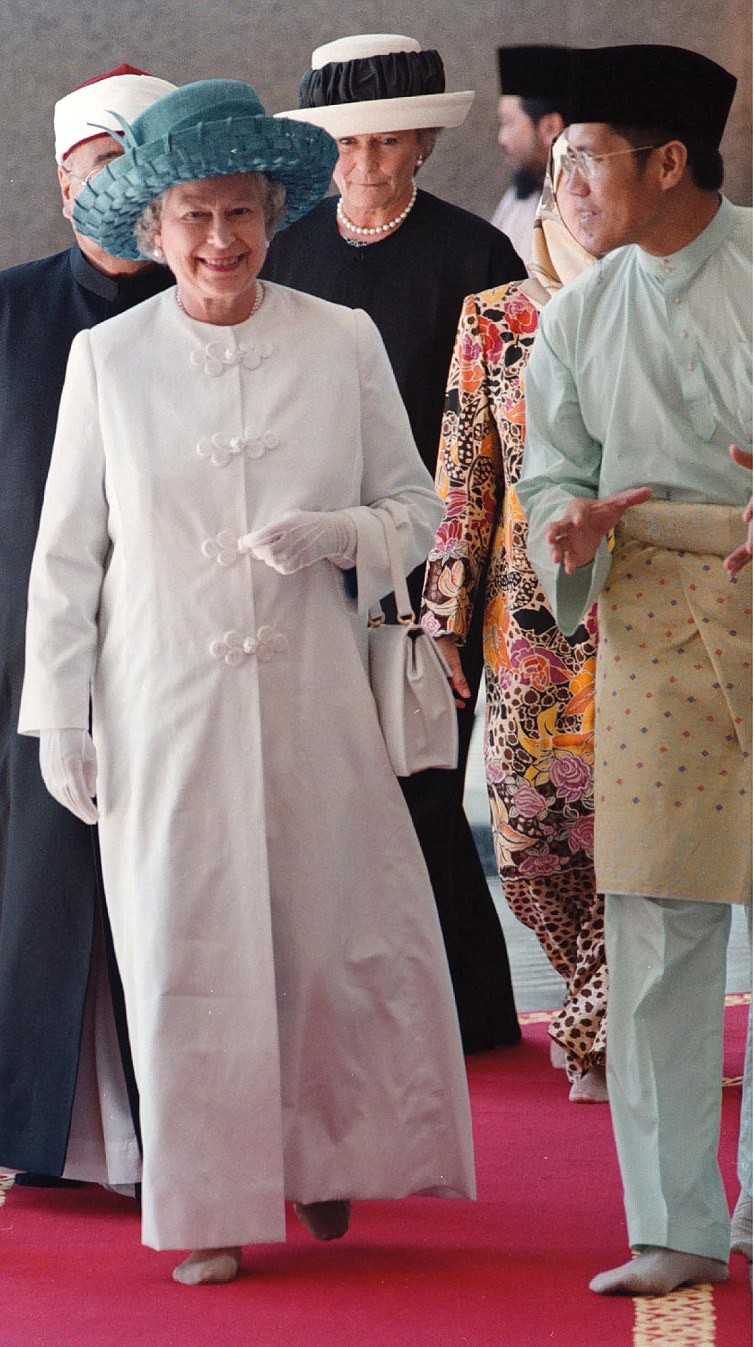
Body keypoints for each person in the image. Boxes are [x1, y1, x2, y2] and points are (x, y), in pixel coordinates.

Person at [19, 78, 474, 1286]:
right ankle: (207, 1205)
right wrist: (59, 718)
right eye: (193, 217)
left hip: (312, 694)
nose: (218, 240)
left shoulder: (341, 339)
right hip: (159, 698)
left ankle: (325, 1154)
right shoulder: (107, 358)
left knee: (329, 942)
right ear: (153, 227)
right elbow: (65, 557)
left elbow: (416, 508)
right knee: (183, 951)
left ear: (272, 216)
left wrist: (338, 534)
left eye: (238, 214)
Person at [517, 44, 751, 1295]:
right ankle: (672, 1225)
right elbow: (553, 472)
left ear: (667, 163)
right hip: (654, 620)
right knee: (656, 922)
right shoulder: (575, 312)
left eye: (584, 158)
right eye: (556, 158)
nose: (562, 183)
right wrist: (564, 525)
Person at [0, 67, 175, 1184]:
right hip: (23, 641)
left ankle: (171, 1126)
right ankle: (41, 1127)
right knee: (33, 869)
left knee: (160, 874)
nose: (105, 192)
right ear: (60, 184)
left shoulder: (203, 305)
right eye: (88, 172)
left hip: (167, 637)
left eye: (128, 169)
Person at [264, 33, 524, 1053]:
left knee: (420, 787)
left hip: (435, 569)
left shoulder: (478, 257)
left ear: (421, 141)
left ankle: (465, 1013)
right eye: (345, 144)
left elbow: (501, 438)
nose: (363, 163)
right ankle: (353, 1006)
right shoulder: (283, 251)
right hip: (310, 558)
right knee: (325, 793)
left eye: (383, 142)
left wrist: (462, 594)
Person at [422, 132, 609, 1103]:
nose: (584, 196)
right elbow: (463, 478)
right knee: (532, 839)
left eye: (600, 175)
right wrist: (442, 621)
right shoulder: (496, 317)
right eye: (568, 177)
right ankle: (594, 992)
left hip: (643, 615)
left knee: (639, 838)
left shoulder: (659, 307)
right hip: (527, 631)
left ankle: (599, 1022)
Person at [491, 45, 568, 262]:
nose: (502, 139)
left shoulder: (581, 205)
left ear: (550, 128)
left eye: (508, 123)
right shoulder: (517, 198)